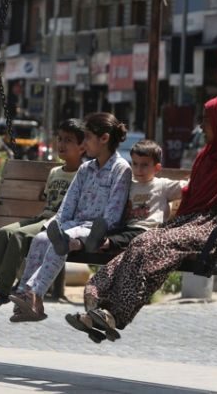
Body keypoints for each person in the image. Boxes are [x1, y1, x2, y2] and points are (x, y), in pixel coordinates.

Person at [66, 97, 217, 342]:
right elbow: (192, 196)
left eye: (207, 120)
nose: (201, 126)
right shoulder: (206, 156)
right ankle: (97, 302)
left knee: (158, 245)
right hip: (192, 223)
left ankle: (113, 313)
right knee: (143, 241)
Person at [9, 113, 131, 322]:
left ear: (104, 139)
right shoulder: (86, 169)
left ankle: (33, 295)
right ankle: (25, 294)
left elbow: (112, 215)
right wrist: (56, 225)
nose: (84, 143)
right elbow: (68, 205)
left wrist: (69, 231)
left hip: (95, 230)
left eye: (88, 137)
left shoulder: (121, 169)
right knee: (41, 239)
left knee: (61, 242)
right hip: (73, 225)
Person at [0, 119, 85, 308]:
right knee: (4, 232)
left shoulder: (83, 174)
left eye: (68, 140)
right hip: (42, 217)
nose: (62, 144)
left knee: (18, 236)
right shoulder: (55, 172)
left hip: (57, 223)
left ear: (82, 147)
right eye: (60, 139)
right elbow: (47, 199)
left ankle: (2, 290)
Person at [83, 140, 185, 253]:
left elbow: (186, 187)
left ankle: (105, 244)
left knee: (134, 237)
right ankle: (87, 242)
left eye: (144, 165)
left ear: (156, 168)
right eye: (135, 164)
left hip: (148, 229)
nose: (138, 169)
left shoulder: (162, 185)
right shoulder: (128, 183)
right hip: (127, 226)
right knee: (115, 232)